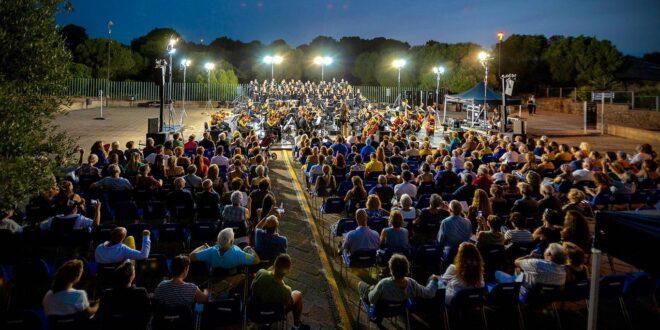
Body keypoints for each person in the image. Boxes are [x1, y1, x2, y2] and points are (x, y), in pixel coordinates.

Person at [358, 254, 439, 324]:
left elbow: (371, 299)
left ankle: (377, 317)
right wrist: (433, 280)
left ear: (391, 270)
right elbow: (429, 293)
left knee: (361, 285)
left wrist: (372, 289)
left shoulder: (384, 283)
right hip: (399, 310)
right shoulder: (412, 283)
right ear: (407, 269)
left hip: (380, 311)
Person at [190, 228, 260, 294]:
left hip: (215, 278)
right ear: (232, 241)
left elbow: (191, 256)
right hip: (232, 281)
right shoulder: (239, 254)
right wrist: (249, 248)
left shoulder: (210, 251)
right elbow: (257, 260)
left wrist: (203, 246)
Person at [251, 254, 311, 330]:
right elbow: (287, 304)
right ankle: (297, 326)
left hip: (255, 312)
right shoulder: (286, 290)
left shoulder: (261, 273)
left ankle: (266, 323)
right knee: (298, 294)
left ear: (274, 264)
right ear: (287, 272)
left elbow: (253, 287)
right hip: (273, 314)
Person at [496, 243, 566, 298]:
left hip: (525, 294)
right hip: (547, 299)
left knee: (497, 273)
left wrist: (529, 256)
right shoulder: (563, 272)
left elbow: (516, 262)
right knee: (518, 270)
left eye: (546, 250)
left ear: (549, 254)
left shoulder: (537, 263)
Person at [96, 261, 151, 329]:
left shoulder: (106, 294)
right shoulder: (141, 292)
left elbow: (102, 318)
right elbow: (148, 315)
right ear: (132, 276)